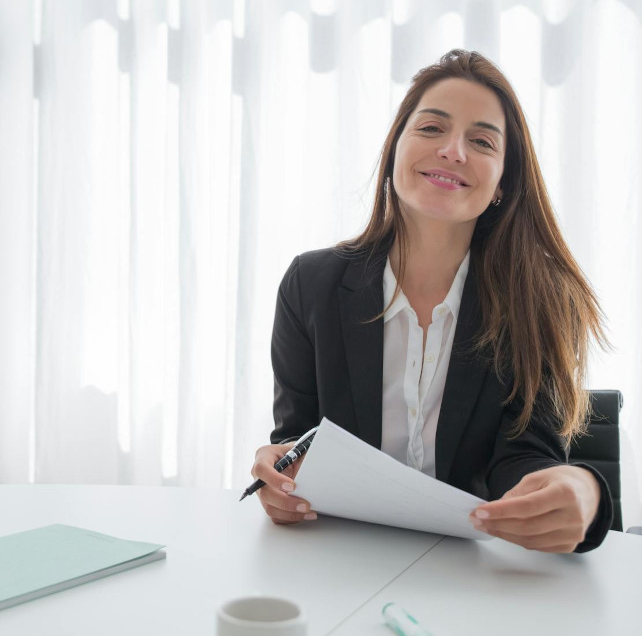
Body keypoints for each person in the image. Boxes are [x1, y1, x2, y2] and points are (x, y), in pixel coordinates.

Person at [249, 49, 613, 553]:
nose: (453, 151)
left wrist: (583, 490)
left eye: (481, 141)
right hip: (339, 561)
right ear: (395, 148)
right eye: (431, 129)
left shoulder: (545, 301)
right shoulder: (310, 285)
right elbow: (300, 440)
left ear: (503, 183)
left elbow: (527, 460)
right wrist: (282, 472)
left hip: (474, 571)